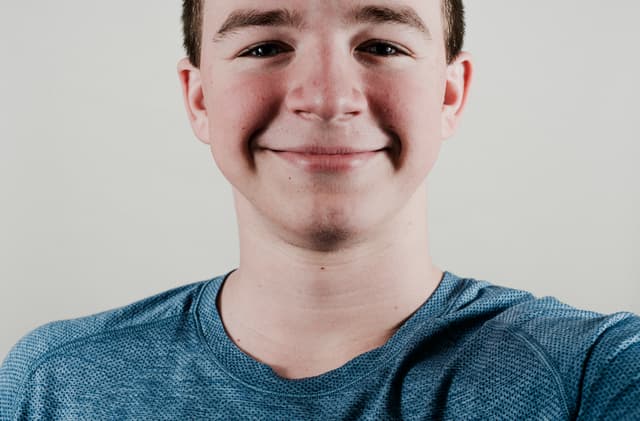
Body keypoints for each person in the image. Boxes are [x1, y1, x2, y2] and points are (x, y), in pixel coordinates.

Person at [0, 0, 638, 419]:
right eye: (264, 46)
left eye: (383, 46)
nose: (327, 98)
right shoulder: (56, 382)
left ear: (450, 92)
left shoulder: (596, 373)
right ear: (198, 98)